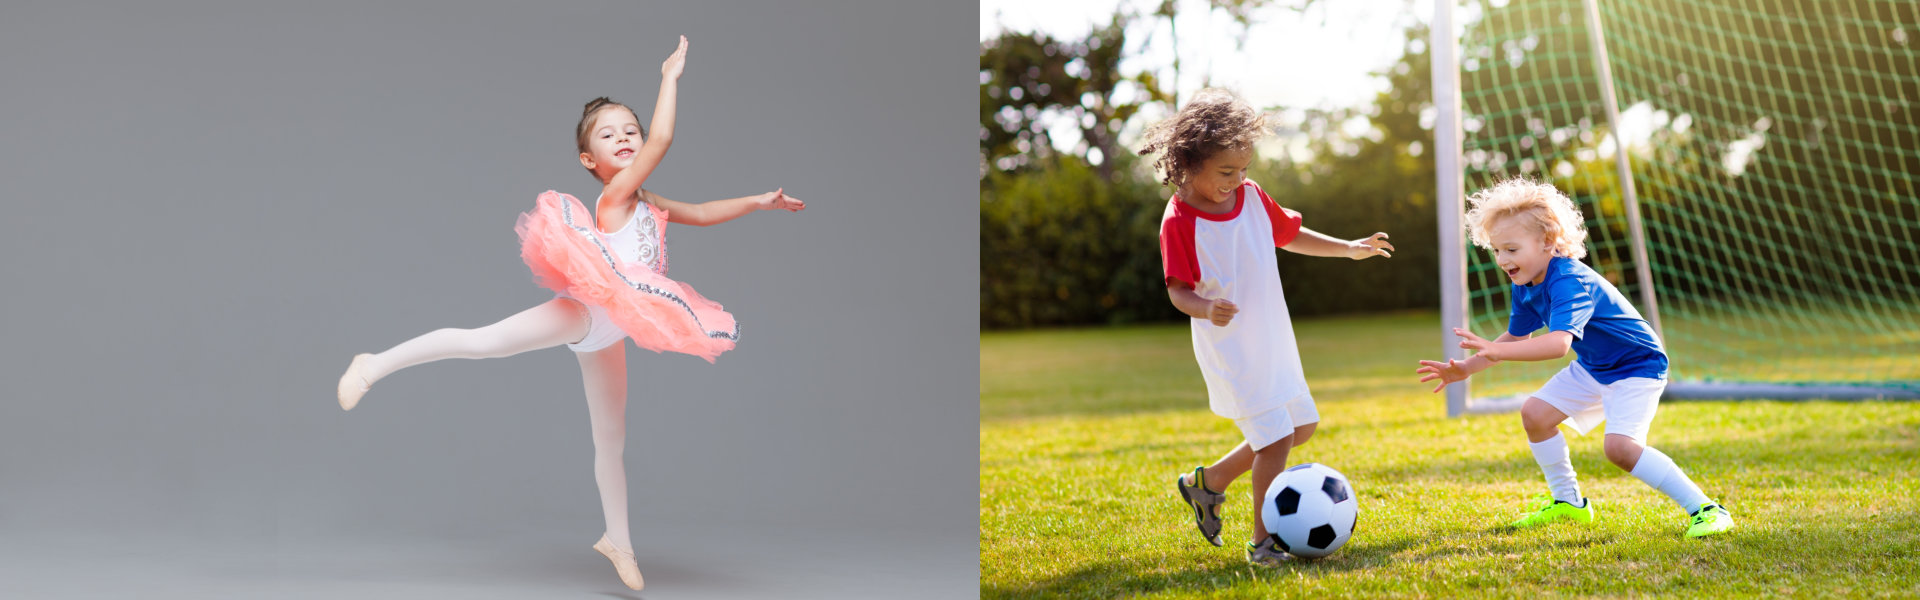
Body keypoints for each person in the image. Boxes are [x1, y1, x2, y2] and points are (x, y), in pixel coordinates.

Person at [334, 36, 806, 590]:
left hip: (613, 330)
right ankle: (372, 364)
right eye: (610, 135)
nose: (626, 139)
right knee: (486, 342)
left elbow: (699, 212)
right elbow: (665, 138)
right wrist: (669, 80)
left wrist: (757, 201)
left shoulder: (648, 202)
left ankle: (619, 542)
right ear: (591, 161)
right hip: (586, 312)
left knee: (611, 437)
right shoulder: (616, 197)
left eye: (630, 129)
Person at [1145, 88, 1394, 565]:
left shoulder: (1253, 196)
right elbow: (1177, 289)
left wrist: (1348, 247)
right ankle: (1263, 543)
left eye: (1244, 170)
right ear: (1189, 161)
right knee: (1276, 440)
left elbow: (1290, 233)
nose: (1237, 180)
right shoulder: (1179, 219)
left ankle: (1209, 482)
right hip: (1233, 348)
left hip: (1274, 339)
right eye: (1225, 172)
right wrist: (1204, 306)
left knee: (1302, 425)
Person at [1416, 178, 1732, 538]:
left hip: (1637, 366)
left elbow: (1556, 345)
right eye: (1498, 251)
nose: (1503, 260)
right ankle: (1569, 503)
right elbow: (1518, 336)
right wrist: (1466, 369)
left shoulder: (1568, 280)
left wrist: (1495, 349)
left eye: (1512, 250)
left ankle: (1707, 508)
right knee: (1535, 415)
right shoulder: (1525, 283)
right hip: (1596, 367)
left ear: (1547, 242)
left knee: (1620, 449)